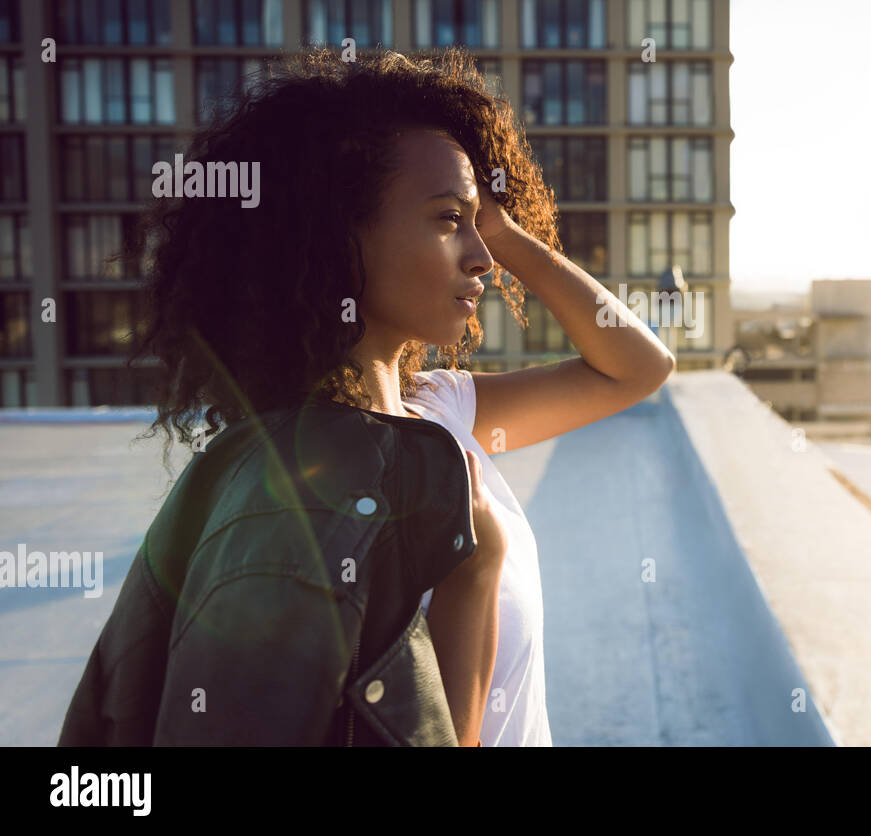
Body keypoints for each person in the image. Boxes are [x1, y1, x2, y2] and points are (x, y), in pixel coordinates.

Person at [56, 47, 675, 746]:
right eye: (447, 220)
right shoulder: (313, 486)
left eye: (478, 225)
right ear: (336, 238)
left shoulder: (439, 409)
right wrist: (474, 573)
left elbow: (637, 368)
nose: (481, 256)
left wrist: (503, 231)